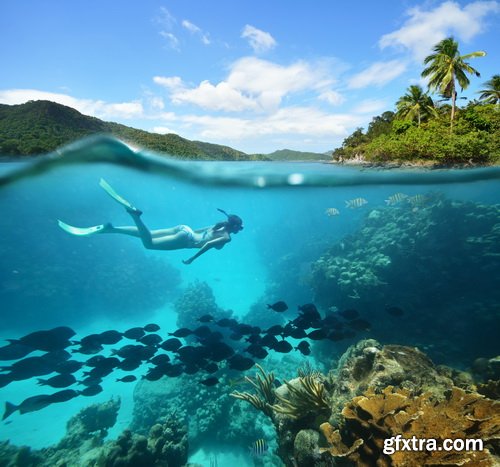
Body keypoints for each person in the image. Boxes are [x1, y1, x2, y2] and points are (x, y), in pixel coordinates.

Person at [58, 179, 243, 265]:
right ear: (234, 227)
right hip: (186, 240)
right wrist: (192, 259)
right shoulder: (226, 237)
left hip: (184, 229)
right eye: (239, 228)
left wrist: (185, 234)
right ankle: (135, 215)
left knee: (147, 234)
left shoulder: (218, 224)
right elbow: (208, 245)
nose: (239, 231)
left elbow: (198, 230)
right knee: (149, 244)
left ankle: (111, 228)